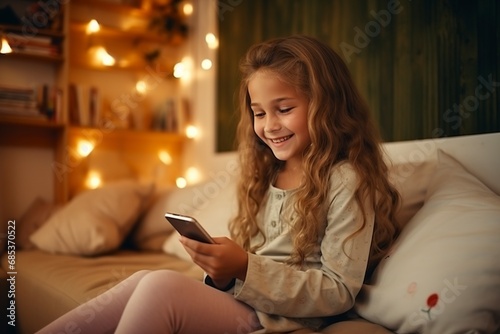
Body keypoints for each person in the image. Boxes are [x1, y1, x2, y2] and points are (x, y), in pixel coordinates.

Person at [37, 35, 401, 334]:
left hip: (283, 318)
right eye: (259, 113)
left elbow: (338, 290)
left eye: (284, 109)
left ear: (326, 105)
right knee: (148, 278)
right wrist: (226, 271)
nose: (269, 125)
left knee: (160, 287)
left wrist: (243, 267)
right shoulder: (267, 174)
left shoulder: (346, 180)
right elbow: (256, 264)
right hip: (248, 300)